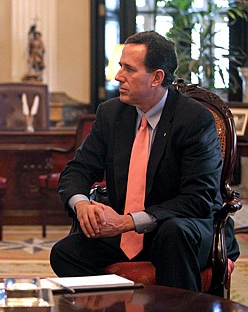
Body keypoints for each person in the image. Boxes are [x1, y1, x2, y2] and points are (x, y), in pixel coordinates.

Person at [49, 30, 239, 291]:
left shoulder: (194, 120)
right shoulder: (112, 113)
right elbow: (77, 170)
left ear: (156, 78)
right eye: (120, 67)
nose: (118, 77)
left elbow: (199, 199)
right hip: (124, 233)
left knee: (174, 234)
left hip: (185, 227)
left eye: (129, 69)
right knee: (65, 253)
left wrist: (128, 222)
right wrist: (82, 205)